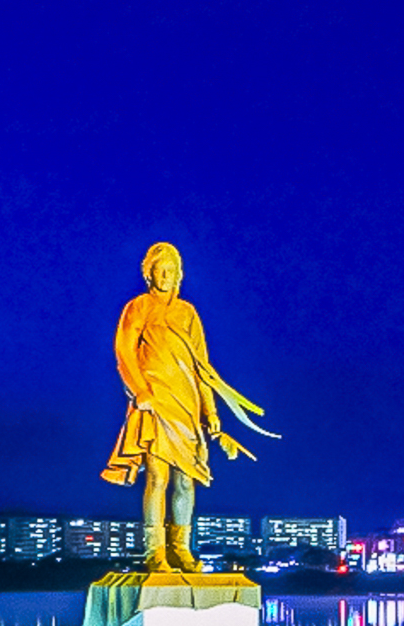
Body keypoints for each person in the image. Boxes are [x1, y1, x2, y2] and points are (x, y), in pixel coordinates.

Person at [102, 242, 277, 572]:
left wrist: (211, 412)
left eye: (171, 270)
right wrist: (139, 390)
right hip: (155, 402)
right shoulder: (138, 307)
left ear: (179, 275)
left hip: (186, 404)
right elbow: (123, 352)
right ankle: (154, 551)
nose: (165, 276)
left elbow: (203, 368)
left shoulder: (188, 313)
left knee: (186, 480)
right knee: (157, 476)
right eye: (160, 270)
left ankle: (181, 548)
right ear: (149, 273)